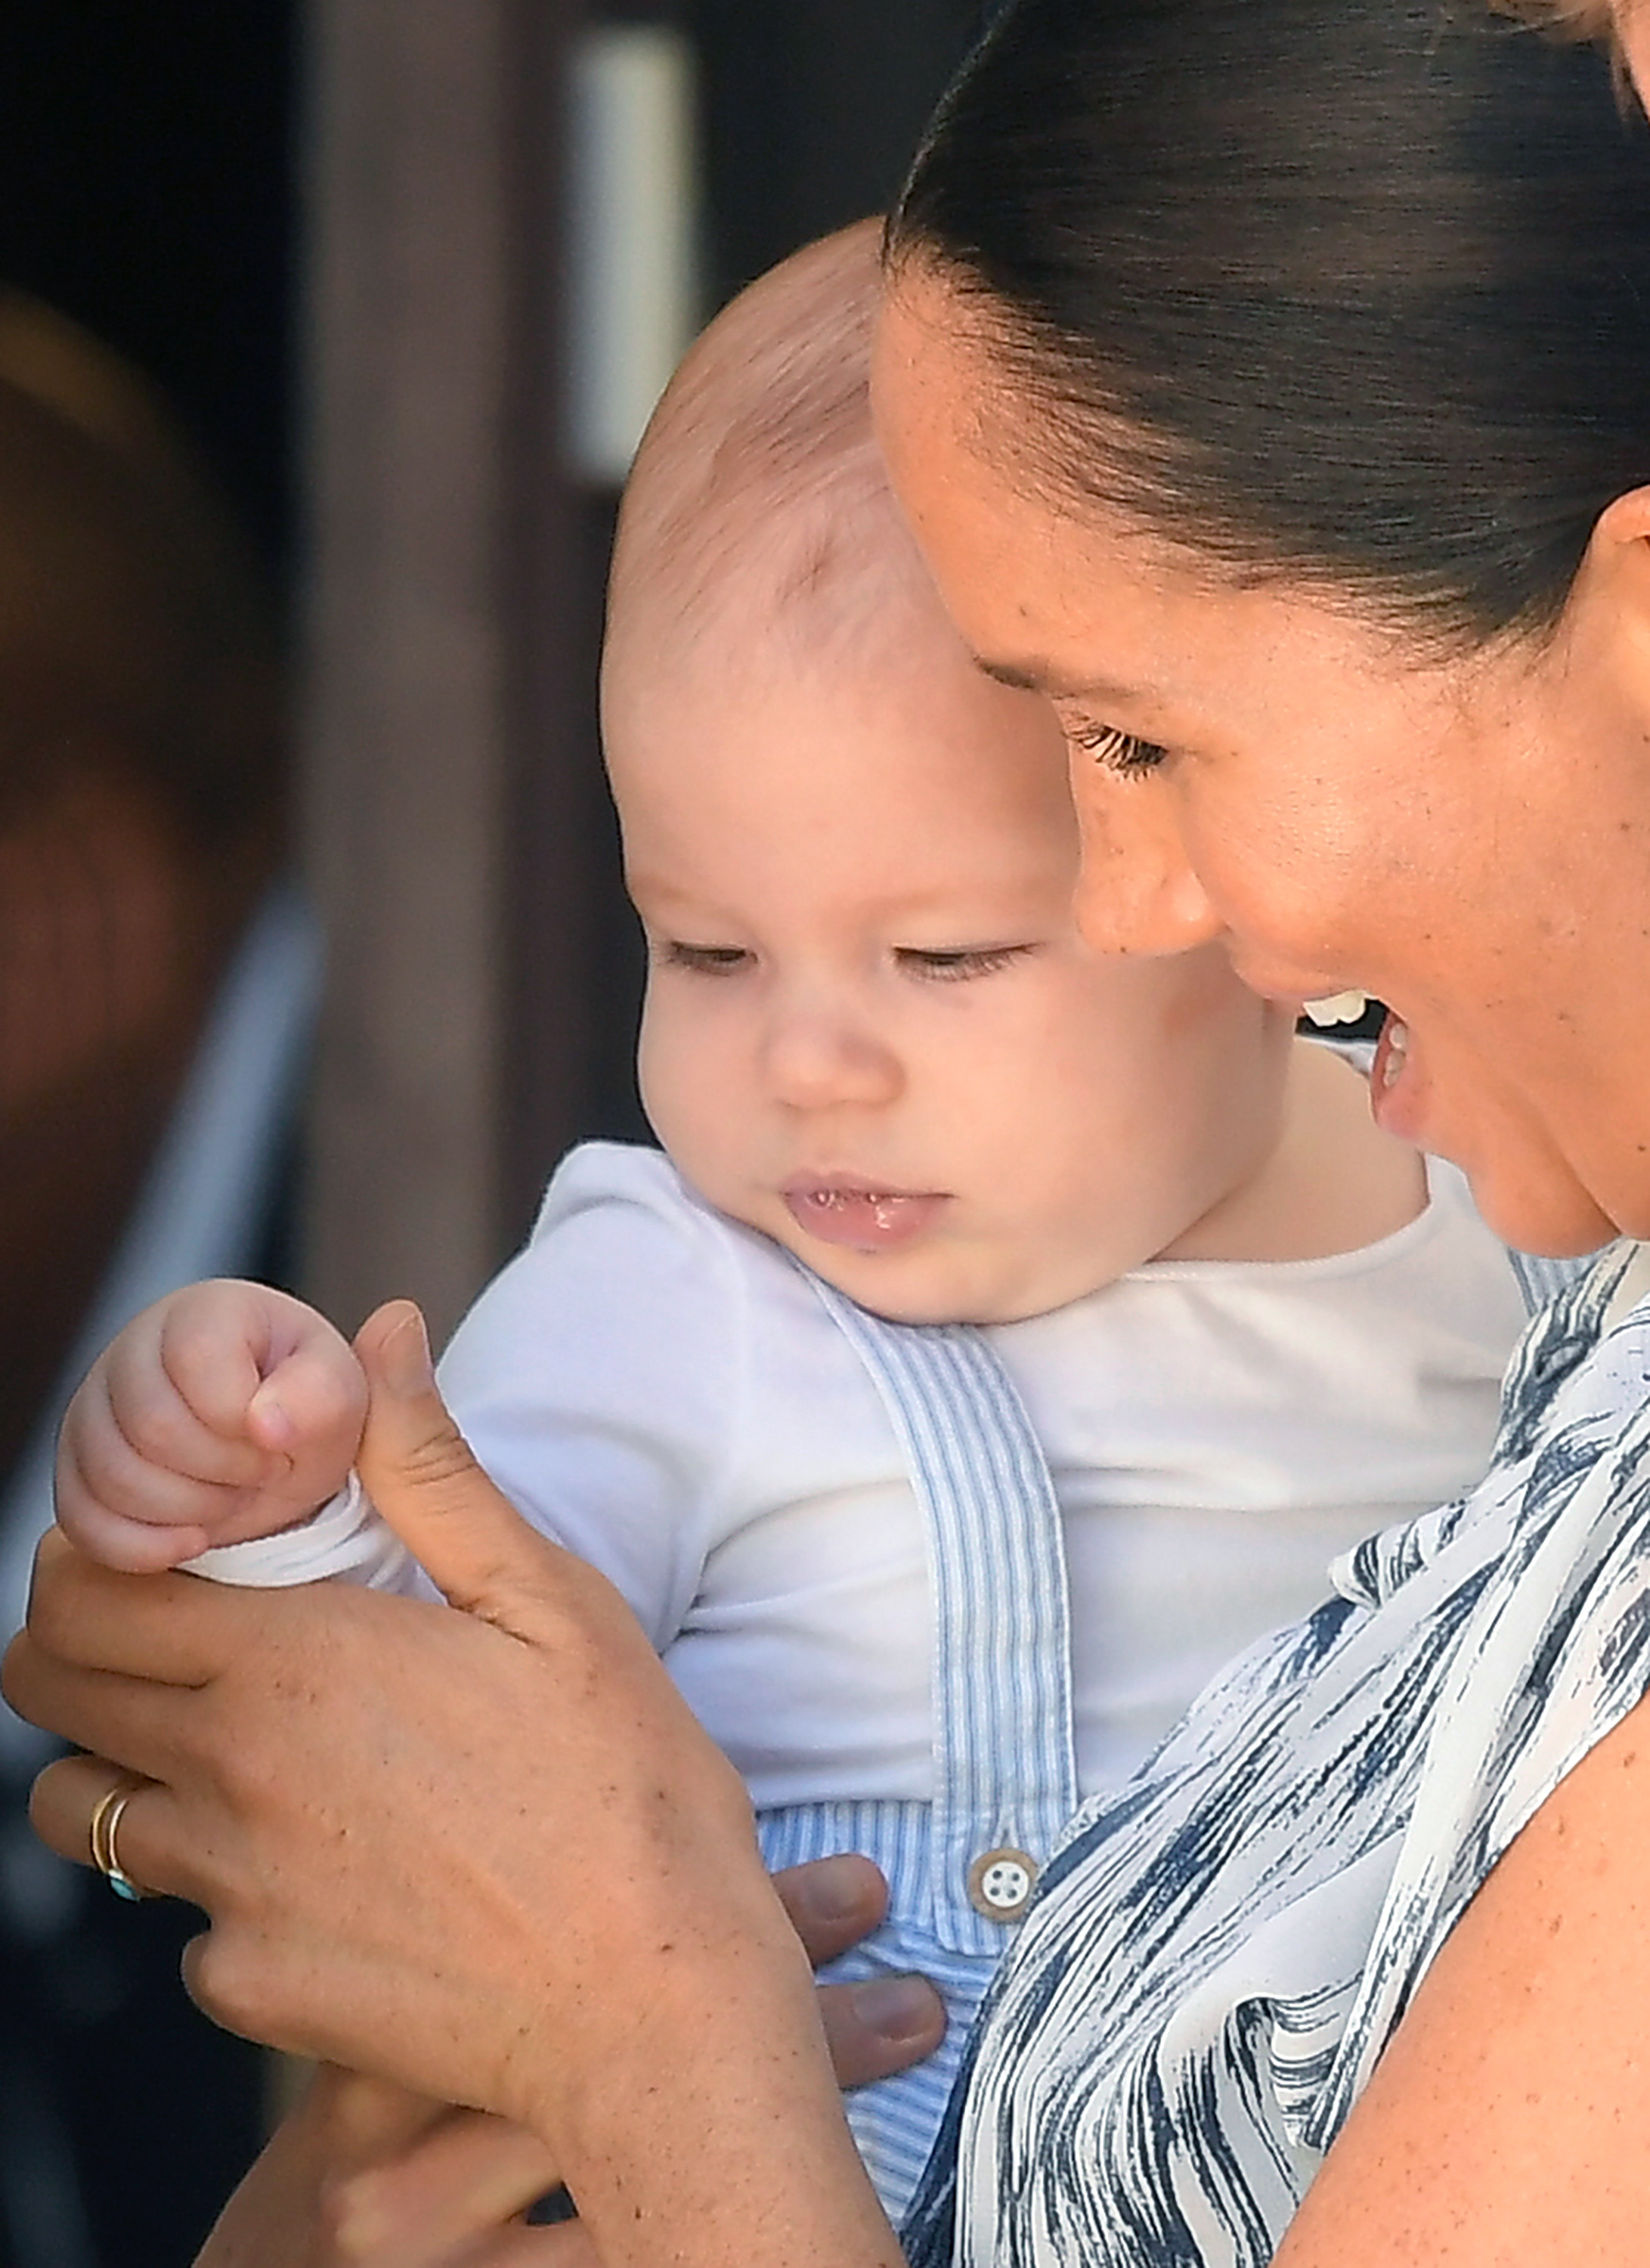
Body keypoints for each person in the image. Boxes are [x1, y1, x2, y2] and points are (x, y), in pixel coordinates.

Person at [13, 6, 1650, 2266]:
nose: (812, 1067)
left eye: (1143, 744)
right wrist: (276, 1513)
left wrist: (649, 2038)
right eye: (700, 952)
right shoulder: (676, 1293)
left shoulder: (1496, 1277)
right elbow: (421, 1694)